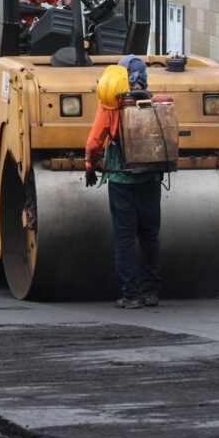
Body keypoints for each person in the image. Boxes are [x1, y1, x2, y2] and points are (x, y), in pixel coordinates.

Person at [85, 57, 162, 310]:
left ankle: (132, 294)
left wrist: (90, 167)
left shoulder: (111, 105)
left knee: (125, 238)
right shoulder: (154, 104)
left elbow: (95, 142)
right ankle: (151, 292)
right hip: (150, 179)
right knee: (150, 237)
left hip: (121, 180)